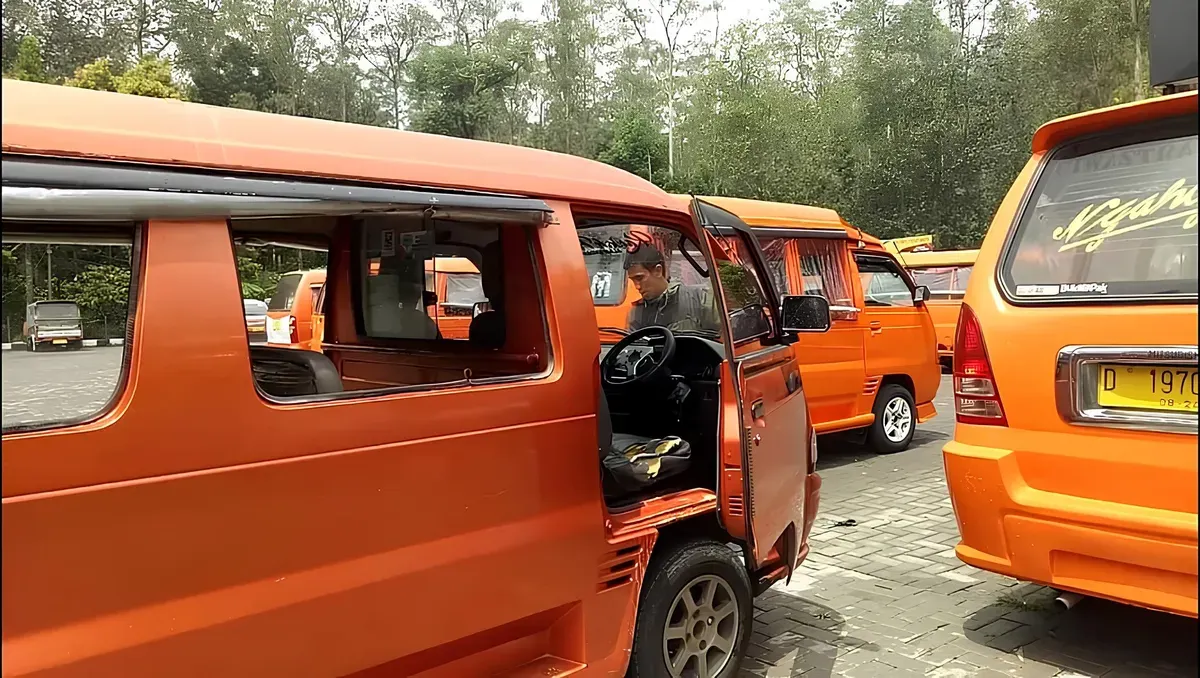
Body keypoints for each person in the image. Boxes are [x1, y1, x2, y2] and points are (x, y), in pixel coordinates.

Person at [624, 243, 721, 333]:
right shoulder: (636, 313)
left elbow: (723, 340)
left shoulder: (700, 300)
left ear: (658, 271)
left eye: (639, 278)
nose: (637, 286)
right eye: (633, 280)